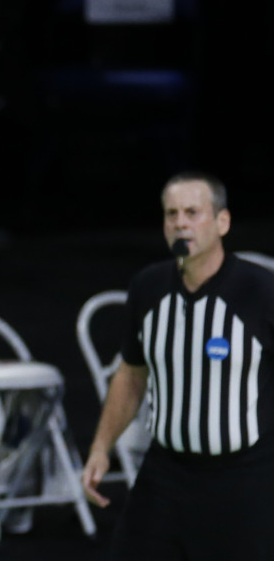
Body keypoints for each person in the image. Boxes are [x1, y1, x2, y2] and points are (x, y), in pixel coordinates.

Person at [81, 171, 274, 560]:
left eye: (192, 212)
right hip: (166, 475)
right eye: (172, 214)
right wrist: (102, 446)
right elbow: (131, 374)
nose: (180, 223)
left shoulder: (259, 290)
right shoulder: (148, 287)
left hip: (244, 479)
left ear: (222, 221)